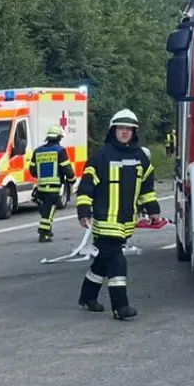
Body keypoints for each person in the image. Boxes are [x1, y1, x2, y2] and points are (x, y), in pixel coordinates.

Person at [77, 109, 160, 321]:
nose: (125, 132)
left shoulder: (141, 157)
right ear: (113, 130)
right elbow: (86, 187)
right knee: (117, 261)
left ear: (134, 132)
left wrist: (153, 210)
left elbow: (147, 188)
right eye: (121, 128)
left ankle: (87, 297)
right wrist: (84, 211)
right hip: (105, 221)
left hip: (125, 223)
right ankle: (120, 306)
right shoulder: (101, 156)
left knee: (103, 261)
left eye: (129, 129)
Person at [30, 125, 75, 242]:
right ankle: (44, 233)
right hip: (54, 187)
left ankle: (45, 232)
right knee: (50, 210)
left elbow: (32, 171)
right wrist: (72, 180)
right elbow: (67, 168)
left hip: (41, 187)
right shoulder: (60, 151)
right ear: (58, 138)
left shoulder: (38, 151)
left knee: (46, 210)